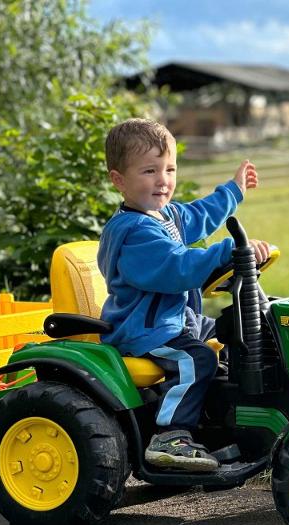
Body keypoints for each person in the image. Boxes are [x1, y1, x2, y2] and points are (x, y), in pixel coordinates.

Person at [97, 118, 270, 471]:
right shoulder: (133, 233)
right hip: (144, 330)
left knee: (234, 331)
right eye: (149, 171)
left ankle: (222, 419)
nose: (163, 180)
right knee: (197, 360)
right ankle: (170, 436)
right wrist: (228, 252)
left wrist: (234, 190)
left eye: (169, 169)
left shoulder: (165, 215)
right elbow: (176, 267)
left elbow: (200, 214)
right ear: (119, 180)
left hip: (177, 321)